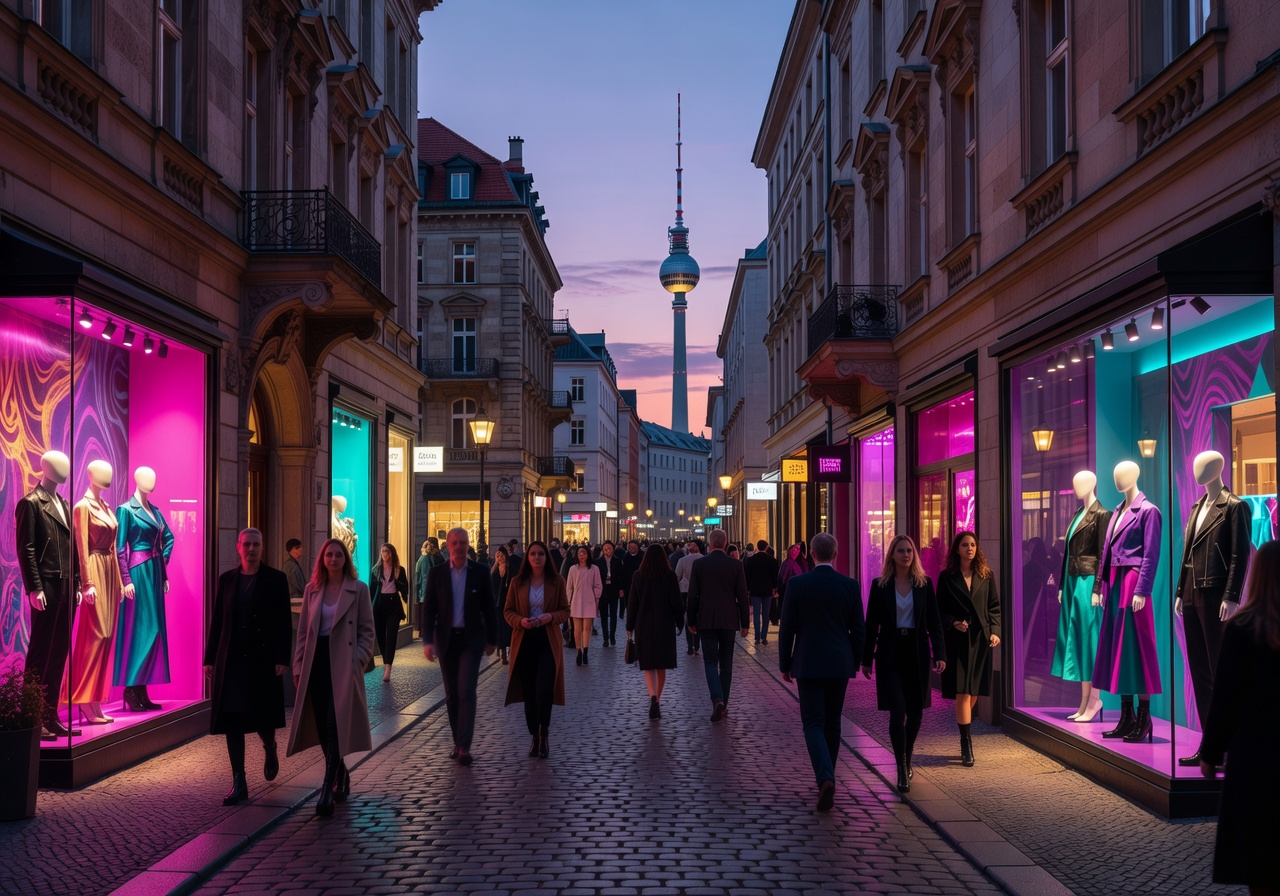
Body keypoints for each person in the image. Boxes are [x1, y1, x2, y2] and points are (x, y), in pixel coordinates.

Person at [1199, 540, 1280, 894]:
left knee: (1260, 863)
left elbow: (1226, 699)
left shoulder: (1243, 628)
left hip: (1256, 759)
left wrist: (1211, 753)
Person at [204, 528, 292, 806]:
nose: (251, 549)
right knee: (233, 720)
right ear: (238, 547)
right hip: (231, 659)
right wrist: (209, 658)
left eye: (256, 544)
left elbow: (283, 622)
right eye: (247, 544)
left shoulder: (276, 580)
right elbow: (218, 620)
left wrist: (282, 657)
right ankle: (239, 781)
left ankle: (270, 745)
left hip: (262, 659)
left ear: (262, 548)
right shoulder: (227, 580)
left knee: (262, 717)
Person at [287, 537, 375, 816]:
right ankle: (340, 772)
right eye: (329, 555)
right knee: (322, 723)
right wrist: (298, 665)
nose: (333, 559)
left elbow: (367, 631)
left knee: (333, 723)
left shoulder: (358, 589)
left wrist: (358, 661)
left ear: (345, 559)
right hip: (316, 661)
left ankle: (326, 786)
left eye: (338, 555)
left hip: (343, 662)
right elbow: (303, 634)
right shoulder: (313, 590)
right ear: (322, 559)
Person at [778, 533, 864, 811]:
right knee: (833, 722)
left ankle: (825, 777)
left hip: (808, 662)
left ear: (812, 554)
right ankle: (828, 776)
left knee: (813, 722)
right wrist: (855, 660)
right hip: (839, 663)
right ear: (835, 553)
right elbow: (858, 630)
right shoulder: (849, 585)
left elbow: (787, 627)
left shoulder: (797, 583)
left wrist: (785, 663)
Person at [862, 535, 946, 793]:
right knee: (898, 710)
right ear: (892, 555)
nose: (906, 554)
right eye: (901, 551)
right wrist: (867, 659)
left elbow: (934, 622)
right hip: (890, 653)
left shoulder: (924, 584)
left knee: (916, 711)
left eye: (910, 550)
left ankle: (907, 756)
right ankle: (901, 767)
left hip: (917, 653)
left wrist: (940, 653)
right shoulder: (880, 585)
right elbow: (871, 624)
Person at [422, 527, 497, 765]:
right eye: (455, 543)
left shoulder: (480, 572)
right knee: (452, 695)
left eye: (463, 543)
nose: (459, 547)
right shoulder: (437, 573)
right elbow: (429, 608)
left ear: (468, 544)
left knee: (466, 690)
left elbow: (489, 607)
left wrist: (492, 639)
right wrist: (427, 641)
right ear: (448, 545)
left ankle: (464, 745)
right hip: (446, 641)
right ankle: (457, 742)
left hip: (471, 640)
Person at [936, 531, 1001, 768]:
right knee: (963, 693)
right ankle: (966, 743)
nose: (970, 548)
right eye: (965, 545)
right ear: (957, 549)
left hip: (981, 641)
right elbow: (938, 610)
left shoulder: (986, 575)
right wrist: (954, 622)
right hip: (958, 641)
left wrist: (995, 631)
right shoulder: (946, 577)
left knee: (973, 693)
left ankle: (963, 729)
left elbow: (994, 607)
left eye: (973, 544)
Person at [503, 541, 570, 758]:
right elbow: (508, 611)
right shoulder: (517, 582)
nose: (537, 557)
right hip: (524, 641)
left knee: (544, 692)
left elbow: (565, 610)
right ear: (527, 557)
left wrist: (550, 617)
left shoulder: (557, 581)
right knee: (530, 694)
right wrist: (520, 621)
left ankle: (545, 733)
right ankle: (534, 735)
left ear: (546, 557)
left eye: (541, 554)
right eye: (533, 554)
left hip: (547, 641)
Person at [686, 529, 750, 722]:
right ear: (725, 543)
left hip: (706, 619)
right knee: (727, 663)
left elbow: (692, 595)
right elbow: (742, 596)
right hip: (729, 620)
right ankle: (724, 704)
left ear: (710, 544)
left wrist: (691, 620)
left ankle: (717, 699)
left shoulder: (699, 564)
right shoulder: (736, 565)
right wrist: (745, 623)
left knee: (710, 662)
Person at [625, 544, 685, 718]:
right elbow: (676, 602)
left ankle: (652, 695)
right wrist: (680, 622)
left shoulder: (638, 576)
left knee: (648, 663)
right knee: (661, 663)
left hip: (643, 624)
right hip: (664, 624)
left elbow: (632, 604)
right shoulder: (669, 576)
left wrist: (629, 627)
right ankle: (658, 698)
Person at [369, 543, 408, 683]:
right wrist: (368, 607)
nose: (385, 554)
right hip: (379, 605)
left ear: (392, 554)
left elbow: (405, 588)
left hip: (393, 605)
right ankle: (386, 661)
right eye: (383, 551)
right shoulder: (376, 570)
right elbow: (371, 590)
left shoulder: (399, 570)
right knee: (380, 636)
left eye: (387, 551)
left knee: (391, 636)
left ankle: (387, 668)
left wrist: (398, 583)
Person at [566, 545, 602, 665]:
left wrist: (596, 597)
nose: (582, 555)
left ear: (588, 554)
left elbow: (598, 585)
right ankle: (578, 652)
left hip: (589, 600)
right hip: (576, 600)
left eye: (584, 553)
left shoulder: (594, 569)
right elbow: (569, 587)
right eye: (580, 553)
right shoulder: (572, 569)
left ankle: (585, 651)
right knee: (577, 628)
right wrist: (568, 601)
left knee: (587, 628)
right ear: (576, 554)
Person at [744, 539, 781, 645]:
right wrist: (774, 588)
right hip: (767, 590)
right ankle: (764, 636)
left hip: (755, 590)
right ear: (766, 547)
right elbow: (775, 577)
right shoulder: (772, 561)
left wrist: (748, 588)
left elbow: (747, 575)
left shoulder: (751, 560)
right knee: (766, 614)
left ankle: (757, 637)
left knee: (756, 614)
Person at [675, 540, 703, 655]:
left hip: (685, 590)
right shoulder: (703, 559)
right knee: (699, 618)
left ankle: (690, 645)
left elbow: (677, 575)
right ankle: (696, 644)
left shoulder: (682, 560)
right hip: (700, 591)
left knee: (688, 618)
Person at [595, 540, 624, 647]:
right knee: (603, 616)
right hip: (603, 591)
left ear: (613, 549)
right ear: (603, 550)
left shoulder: (617, 561)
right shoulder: (598, 562)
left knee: (613, 615)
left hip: (614, 590)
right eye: (606, 549)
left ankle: (612, 636)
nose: (608, 551)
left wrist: (621, 589)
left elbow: (621, 576)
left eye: (610, 548)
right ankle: (605, 638)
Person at [491, 546, 515, 664]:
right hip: (497, 603)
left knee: (508, 627)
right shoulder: (494, 570)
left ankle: (509, 649)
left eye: (501, 556)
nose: (499, 558)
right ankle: (502, 652)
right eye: (497, 556)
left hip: (508, 602)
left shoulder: (511, 569)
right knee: (499, 627)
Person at [414, 538, 443, 628]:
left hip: (425, 591)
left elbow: (419, 576)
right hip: (430, 590)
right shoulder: (435, 557)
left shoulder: (423, 558)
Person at [775, 543, 805, 626]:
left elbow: (781, 576)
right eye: (795, 549)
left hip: (789, 588)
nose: (797, 551)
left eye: (798, 549)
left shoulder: (789, 562)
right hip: (789, 588)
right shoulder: (790, 563)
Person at [283, 538, 307, 606]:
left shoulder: (290, 564)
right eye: (297, 548)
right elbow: (301, 586)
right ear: (291, 550)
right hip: (295, 602)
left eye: (300, 547)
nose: (301, 549)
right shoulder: (292, 566)